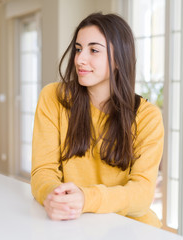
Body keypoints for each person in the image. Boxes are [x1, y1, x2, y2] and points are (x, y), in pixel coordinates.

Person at [31, 12, 164, 228]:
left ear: (119, 60)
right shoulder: (53, 98)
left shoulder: (147, 116)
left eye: (93, 50)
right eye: (78, 49)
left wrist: (85, 198)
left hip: (131, 227)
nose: (80, 59)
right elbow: (42, 171)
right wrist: (52, 196)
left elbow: (142, 194)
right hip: (71, 221)